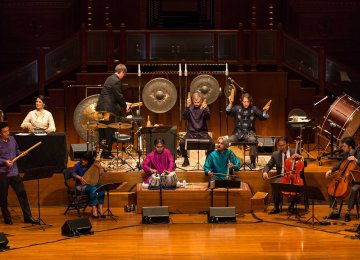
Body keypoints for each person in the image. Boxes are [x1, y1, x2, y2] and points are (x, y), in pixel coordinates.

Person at [0, 122, 39, 225]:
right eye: (5, 132)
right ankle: (7, 219)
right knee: (3, 198)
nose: (8, 133)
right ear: (0, 133)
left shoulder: (12, 139)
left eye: (8, 131)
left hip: (14, 172)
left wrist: (21, 153)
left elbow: (16, 150)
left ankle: (28, 217)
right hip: (3, 174)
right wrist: (4, 162)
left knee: (22, 193)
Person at [226, 92, 269, 169]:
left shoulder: (254, 109)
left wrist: (265, 112)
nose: (246, 103)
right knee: (229, 140)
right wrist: (230, 103)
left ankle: (252, 161)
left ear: (250, 102)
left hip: (249, 133)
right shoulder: (237, 108)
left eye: (247, 102)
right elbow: (228, 113)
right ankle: (229, 161)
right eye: (244, 101)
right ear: (242, 101)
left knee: (253, 140)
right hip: (237, 133)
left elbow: (263, 117)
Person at [262, 137, 305, 214]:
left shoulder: (294, 152)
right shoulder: (275, 154)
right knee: (275, 184)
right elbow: (269, 165)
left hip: (293, 175)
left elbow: (304, 164)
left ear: (287, 144)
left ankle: (292, 206)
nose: (281, 147)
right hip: (281, 176)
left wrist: (301, 157)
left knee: (296, 185)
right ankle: (276, 207)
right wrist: (265, 172)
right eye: (280, 145)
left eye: (283, 145)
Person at [96, 64, 129, 158]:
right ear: (122, 72)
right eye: (124, 74)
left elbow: (112, 96)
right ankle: (107, 153)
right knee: (109, 130)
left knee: (102, 130)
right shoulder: (116, 81)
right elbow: (119, 96)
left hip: (102, 108)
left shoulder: (109, 78)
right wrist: (125, 106)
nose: (123, 76)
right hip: (108, 110)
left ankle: (102, 152)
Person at [325, 136, 360, 221]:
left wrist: (356, 160)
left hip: (356, 180)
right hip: (346, 178)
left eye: (344, 146)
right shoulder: (345, 154)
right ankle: (335, 211)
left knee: (354, 189)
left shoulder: (358, 154)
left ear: (350, 147)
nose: (342, 148)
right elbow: (340, 164)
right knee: (329, 186)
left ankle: (348, 211)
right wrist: (330, 170)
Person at [180, 91, 214, 167]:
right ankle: (186, 159)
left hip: (202, 133)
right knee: (182, 143)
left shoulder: (204, 107)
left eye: (198, 102)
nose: (196, 104)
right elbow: (184, 117)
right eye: (195, 102)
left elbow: (208, 118)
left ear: (200, 100)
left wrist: (205, 110)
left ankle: (207, 161)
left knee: (212, 143)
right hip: (191, 133)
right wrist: (187, 107)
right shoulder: (190, 108)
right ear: (192, 101)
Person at [72, 152, 106, 218]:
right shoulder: (77, 165)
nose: (82, 161)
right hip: (81, 186)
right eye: (82, 159)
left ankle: (100, 208)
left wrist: (100, 168)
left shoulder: (93, 166)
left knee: (102, 187)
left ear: (89, 161)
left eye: (85, 160)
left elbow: (101, 174)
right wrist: (80, 178)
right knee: (93, 189)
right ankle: (94, 209)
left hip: (92, 184)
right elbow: (73, 173)